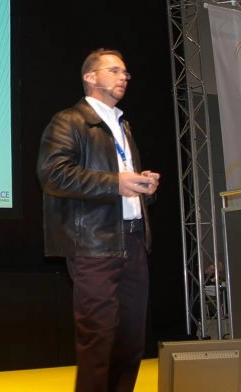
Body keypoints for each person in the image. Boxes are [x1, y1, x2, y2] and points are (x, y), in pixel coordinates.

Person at [36, 48, 160, 392]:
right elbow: (53, 175)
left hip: (133, 241)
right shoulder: (69, 121)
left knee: (131, 341)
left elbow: (122, 181)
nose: (124, 77)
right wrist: (115, 183)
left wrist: (144, 186)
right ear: (90, 77)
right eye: (114, 70)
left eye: (126, 73)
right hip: (93, 244)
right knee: (99, 341)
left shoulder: (123, 125)